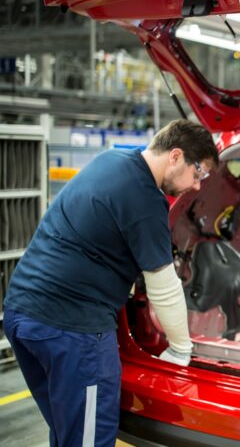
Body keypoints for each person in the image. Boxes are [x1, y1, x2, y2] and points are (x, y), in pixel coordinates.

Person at [3, 119, 218, 447]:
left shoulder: (112, 161)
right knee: (88, 438)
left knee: (69, 431)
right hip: (73, 331)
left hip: (23, 316)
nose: (198, 186)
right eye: (199, 172)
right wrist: (180, 349)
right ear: (176, 156)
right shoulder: (145, 198)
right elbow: (163, 284)